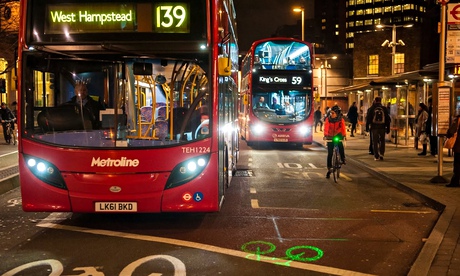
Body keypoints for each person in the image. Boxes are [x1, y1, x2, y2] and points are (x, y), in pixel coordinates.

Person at [324, 105, 347, 179]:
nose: (331, 114)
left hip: (338, 135)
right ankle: (329, 167)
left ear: (337, 113)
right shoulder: (328, 119)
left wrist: (344, 136)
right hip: (330, 136)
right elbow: (326, 128)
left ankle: (343, 158)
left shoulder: (341, 120)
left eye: (333, 113)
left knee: (340, 145)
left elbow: (343, 128)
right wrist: (325, 135)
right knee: (330, 152)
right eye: (331, 113)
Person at [446, 114, 460, 187]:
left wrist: (448, 134)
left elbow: (451, 131)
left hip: (458, 146)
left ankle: (455, 182)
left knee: (457, 165)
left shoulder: (458, 119)